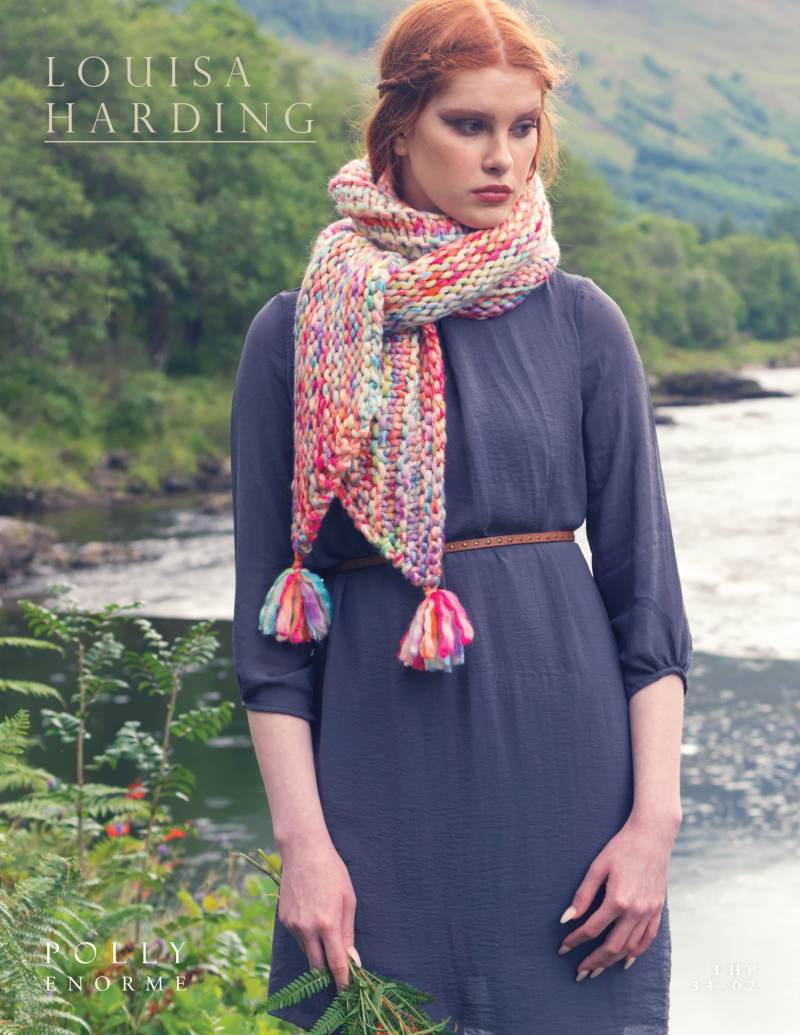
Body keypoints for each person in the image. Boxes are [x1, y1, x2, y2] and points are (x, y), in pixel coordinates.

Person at [230, 0, 693, 1031]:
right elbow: (269, 636)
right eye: (468, 124)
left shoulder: (583, 323)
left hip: (573, 805)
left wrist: (652, 827)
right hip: (372, 809)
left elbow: (648, 609)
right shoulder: (294, 336)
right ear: (399, 127)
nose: (501, 158)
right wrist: (303, 847)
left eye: (522, 127)